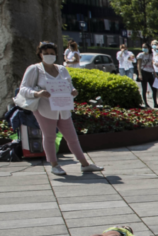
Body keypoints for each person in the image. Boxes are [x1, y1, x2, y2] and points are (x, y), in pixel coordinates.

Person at [19, 41, 104, 176]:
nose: (49, 56)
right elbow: (23, 89)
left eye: (51, 53)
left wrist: (73, 91)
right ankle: (54, 165)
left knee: (72, 137)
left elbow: (69, 85)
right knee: (49, 136)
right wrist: (37, 93)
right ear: (40, 55)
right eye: (45, 53)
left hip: (63, 108)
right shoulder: (34, 69)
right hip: (44, 109)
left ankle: (85, 164)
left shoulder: (62, 69)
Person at [135, 43, 158, 108]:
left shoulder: (151, 55)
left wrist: (155, 73)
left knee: (154, 88)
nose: (144, 48)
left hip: (150, 72)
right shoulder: (140, 55)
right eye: (143, 47)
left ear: (149, 48)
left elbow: (152, 64)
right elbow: (138, 65)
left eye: (145, 47)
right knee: (144, 88)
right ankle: (146, 103)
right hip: (143, 72)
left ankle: (155, 103)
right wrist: (139, 74)